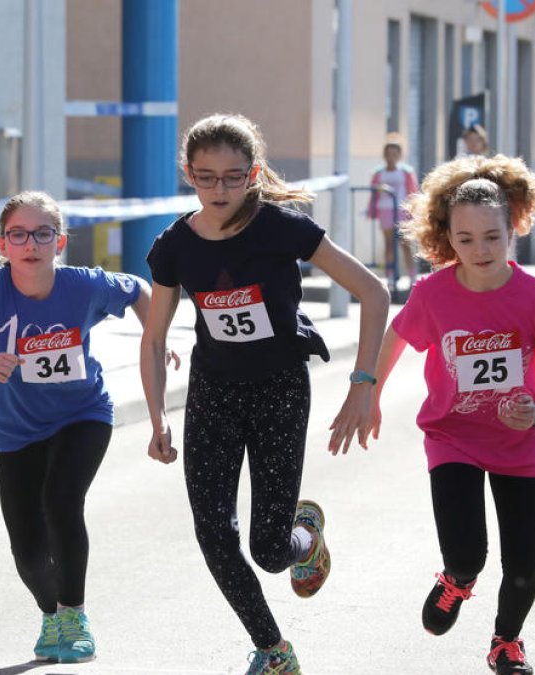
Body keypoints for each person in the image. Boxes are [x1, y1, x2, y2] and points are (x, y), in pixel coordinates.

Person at [139, 113, 390, 674]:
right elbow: (154, 339)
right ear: (189, 174)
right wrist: (157, 418)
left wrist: (362, 384)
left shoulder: (282, 228)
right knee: (212, 532)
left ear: (253, 174)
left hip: (278, 389)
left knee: (269, 552)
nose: (220, 189)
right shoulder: (174, 246)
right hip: (213, 392)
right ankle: (274, 650)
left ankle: (304, 536)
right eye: (207, 177)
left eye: (233, 177)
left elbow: (374, 292)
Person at [0, 191, 177, 664]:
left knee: (61, 501)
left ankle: (75, 615)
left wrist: (155, 338)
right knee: (27, 549)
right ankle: (53, 614)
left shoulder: (83, 285)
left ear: (59, 241)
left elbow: (140, 292)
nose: (31, 244)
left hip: (82, 414)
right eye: (18, 234)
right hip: (15, 429)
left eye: (43, 233)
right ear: (3, 244)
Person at [363, 154, 535, 675]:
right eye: (466, 239)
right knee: (467, 553)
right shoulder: (434, 294)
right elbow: (396, 338)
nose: (480, 250)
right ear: (447, 239)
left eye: (492, 237)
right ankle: (456, 579)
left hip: (521, 444)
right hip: (452, 436)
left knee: (524, 567)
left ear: (514, 229)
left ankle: (507, 642)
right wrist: (369, 394)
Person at [366, 133, 420, 287]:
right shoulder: (378, 173)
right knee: (389, 244)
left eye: (394, 154)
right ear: (384, 155)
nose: (391, 157)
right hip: (385, 210)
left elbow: (412, 191)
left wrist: (413, 210)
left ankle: (412, 275)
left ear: (399, 155)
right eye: (388, 154)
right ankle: (389, 276)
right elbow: (373, 192)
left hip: (402, 209)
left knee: (405, 244)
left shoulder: (406, 172)